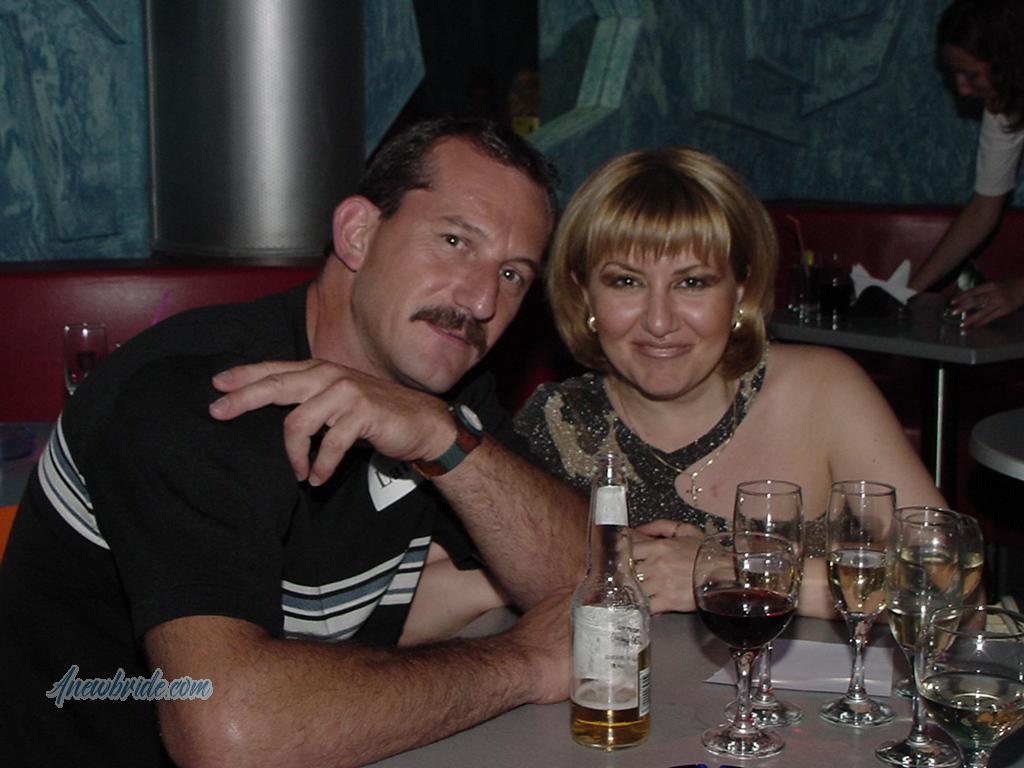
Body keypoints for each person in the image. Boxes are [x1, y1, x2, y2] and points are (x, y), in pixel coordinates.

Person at [0, 117, 585, 767]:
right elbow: (227, 731)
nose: (481, 301)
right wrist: (522, 664)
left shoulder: (447, 392)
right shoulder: (200, 400)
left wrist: (442, 439)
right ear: (358, 233)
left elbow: (591, 584)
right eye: (455, 241)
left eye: (513, 275)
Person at [512, 146, 947, 616]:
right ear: (584, 294)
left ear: (741, 290)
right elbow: (469, 589)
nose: (659, 321)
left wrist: (732, 573)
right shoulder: (557, 425)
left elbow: (947, 582)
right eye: (626, 282)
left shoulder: (822, 391)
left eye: (692, 282)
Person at [908, 0, 1024, 326]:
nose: (961, 88)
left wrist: (1018, 291)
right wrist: (904, 293)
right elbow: (983, 208)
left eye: (971, 74)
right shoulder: (1003, 105)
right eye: (955, 74)